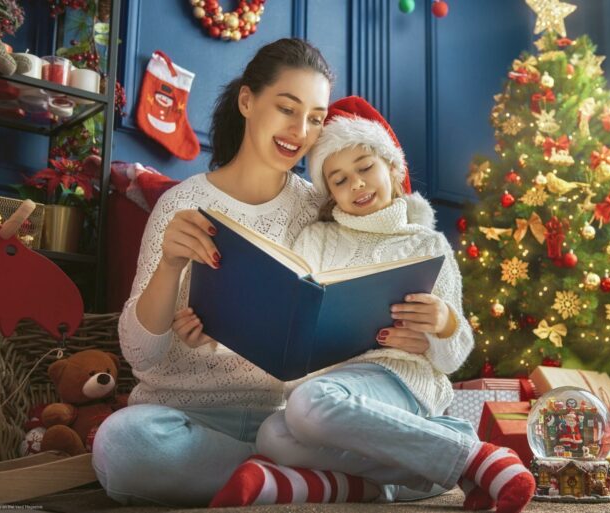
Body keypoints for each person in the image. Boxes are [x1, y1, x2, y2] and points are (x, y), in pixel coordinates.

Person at [208, 97, 536, 512]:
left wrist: (445, 323)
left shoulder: (426, 244)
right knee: (273, 434)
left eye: (365, 168)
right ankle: (410, 470)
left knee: (308, 406)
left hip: (400, 382)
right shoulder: (316, 240)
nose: (357, 185)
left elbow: (454, 359)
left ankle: (479, 460)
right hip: (332, 387)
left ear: (393, 169)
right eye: (340, 180)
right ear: (330, 194)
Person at [91, 38, 334, 507]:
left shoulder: (318, 209)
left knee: (366, 430)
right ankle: (292, 482)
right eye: (287, 108)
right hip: (184, 419)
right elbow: (140, 356)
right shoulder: (181, 203)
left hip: (286, 423)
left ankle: (268, 478)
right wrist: (169, 265)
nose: (300, 130)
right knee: (123, 446)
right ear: (247, 100)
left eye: (316, 118)